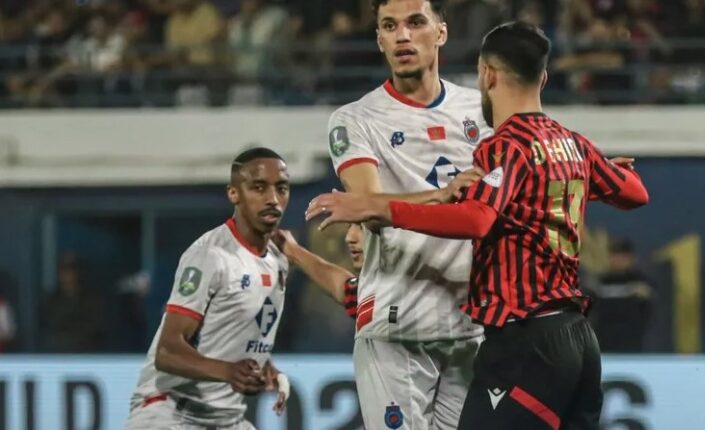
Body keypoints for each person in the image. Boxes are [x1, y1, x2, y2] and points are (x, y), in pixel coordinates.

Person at [308, 21, 650, 429]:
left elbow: (476, 219)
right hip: (579, 339)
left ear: (487, 75)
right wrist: (584, 172)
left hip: (526, 339)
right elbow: (635, 194)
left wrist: (383, 210)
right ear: (543, 78)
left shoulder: (504, 145)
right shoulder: (573, 144)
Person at [324, 0, 493, 427]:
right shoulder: (355, 119)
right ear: (379, 40)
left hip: (470, 327)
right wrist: (444, 194)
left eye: (415, 22)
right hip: (396, 325)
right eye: (389, 26)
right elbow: (369, 205)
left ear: (441, 32)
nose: (402, 35)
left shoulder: (481, 110)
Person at [125, 147, 292, 429]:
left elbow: (232, 332)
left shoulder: (278, 262)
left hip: (226, 419)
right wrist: (229, 371)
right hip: (170, 412)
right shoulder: (210, 255)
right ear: (234, 194)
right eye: (259, 187)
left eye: (281, 188)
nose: (273, 199)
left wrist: (265, 368)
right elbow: (167, 352)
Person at [588, 237, 654, 353]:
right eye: (615, 255)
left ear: (632, 258)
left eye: (623, 256)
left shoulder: (641, 282)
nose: (618, 260)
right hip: (603, 345)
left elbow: (651, 315)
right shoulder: (600, 282)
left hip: (633, 346)